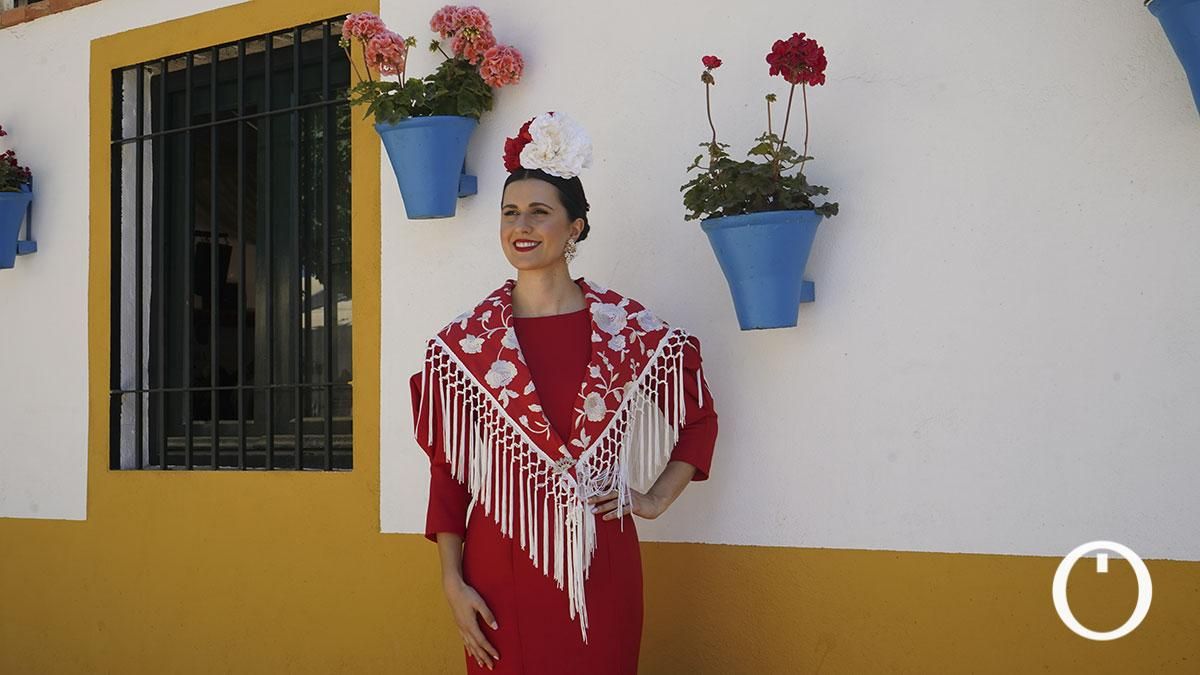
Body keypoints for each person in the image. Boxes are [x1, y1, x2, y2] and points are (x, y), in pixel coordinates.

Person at [409, 110, 718, 674]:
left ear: (574, 227)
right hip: (497, 572)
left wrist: (652, 500)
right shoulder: (467, 344)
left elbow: (698, 420)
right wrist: (452, 581)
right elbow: (447, 472)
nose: (521, 225)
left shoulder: (627, 331)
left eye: (539, 212)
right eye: (510, 212)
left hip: (603, 567)